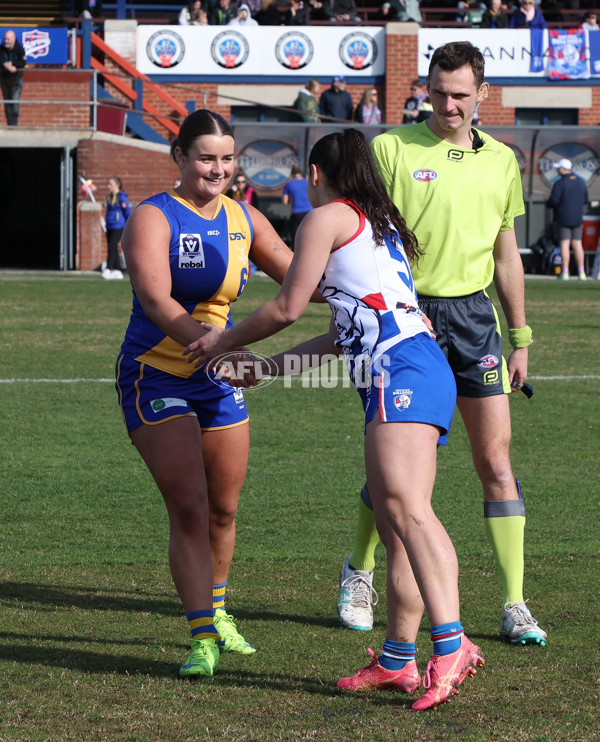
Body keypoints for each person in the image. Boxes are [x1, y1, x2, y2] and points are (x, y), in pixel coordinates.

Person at [182, 128, 485, 711]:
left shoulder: (326, 218)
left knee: (408, 511)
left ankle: (451, 645)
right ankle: (398, 660)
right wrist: (267, 369)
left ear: (315, 175)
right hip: (406, 367)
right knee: (398, 524)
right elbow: (339, 331)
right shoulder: (375, 223)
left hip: (403, 370)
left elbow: (287, 306)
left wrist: (225, 340)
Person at [337, 41, 548, 649]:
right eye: (439, 92)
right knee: (397, 475)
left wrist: (520, 336)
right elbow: (362, 233)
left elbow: (506, 252)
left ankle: (514, 602)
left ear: (483, 94)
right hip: (403, 320)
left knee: (496, 462)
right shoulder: (390, 148)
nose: (449, 105)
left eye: (461, 94)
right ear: (425, 89)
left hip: (474, 320)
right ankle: (360, 571)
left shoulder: (503, 161)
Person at [115, 109, 295, 678]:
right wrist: (215, 347)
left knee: (223, 507)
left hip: (217, 380)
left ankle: (219, 613)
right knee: (189, 503)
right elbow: (155, 298)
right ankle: (201, 638)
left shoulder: (246, 219)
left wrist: (373, 274)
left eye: (227, 158)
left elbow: (305, 280)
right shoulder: (153, 215)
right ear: (180, 158)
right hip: (156, 375)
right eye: (206, 158)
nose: (218, 169)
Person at [546, 158, 589, 281]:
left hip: (563, 218)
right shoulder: (581, 182)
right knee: (577, 244)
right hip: (577, 218)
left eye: (558, 167)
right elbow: (585, 200)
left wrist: (548, 203)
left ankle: (565, 272)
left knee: (564, 244)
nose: (557, 170)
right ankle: (582, 273)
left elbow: (553, 201)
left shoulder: (560, 183)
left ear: (563, 169)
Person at [103, 176, 131, 280]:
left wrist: (130, 222)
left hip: (118, 225)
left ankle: (109, 267)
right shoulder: (109, 196)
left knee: (113, 245)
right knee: (111, 246)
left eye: (110, 184)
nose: (108, 186)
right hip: (109, 225)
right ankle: (116, 268)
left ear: (117, 185)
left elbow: (126, 211)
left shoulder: (121, 196)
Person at [282, 163, 312, 246]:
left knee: (296, 242)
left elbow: (285, 202)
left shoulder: (289, 184)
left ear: (292, 174)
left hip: (296, 214)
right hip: (310, 213)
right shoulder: (308, 182)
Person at [0, 30, 26, 127]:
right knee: (7, 102)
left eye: (8, 39)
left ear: (14, 40)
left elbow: (22, 62)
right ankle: (9, 124)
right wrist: (6, 66)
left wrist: (13, 64)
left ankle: (14, 124)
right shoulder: (1, 49)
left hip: (16, 79)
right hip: (5, 79)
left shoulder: (19, 48)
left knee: (14, 101)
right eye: (5, 39)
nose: (6, 41)